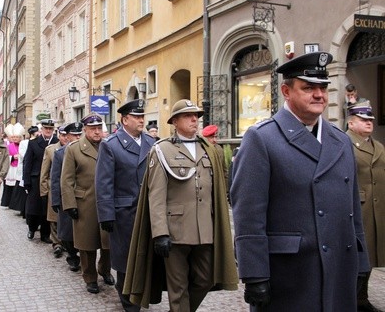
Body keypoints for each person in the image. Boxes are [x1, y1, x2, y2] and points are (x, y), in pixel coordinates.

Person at [231, 52, 371, 311]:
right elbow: (248, 214)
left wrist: (361, 259)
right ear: (286, 91)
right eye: (308, 88)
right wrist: (255, 275)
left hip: (339, 266)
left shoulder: (340, 141)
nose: (319, 94)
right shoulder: (262, 139)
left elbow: (352, 210)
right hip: (291, 274)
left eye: (323, 87)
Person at [124, 99, 238, 311]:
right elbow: (156, 195)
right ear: (175, 121)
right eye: (188, 115)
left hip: (205, 229)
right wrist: (160, 233)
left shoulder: (208, 149)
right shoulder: (162, 150)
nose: (195, 119)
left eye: (196, 115)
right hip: (174, 231)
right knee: (178, 288)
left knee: (205, 278)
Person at [95, 99, 155, 311]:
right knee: (125, 262)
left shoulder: (151, 143)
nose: (141, 120)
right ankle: (129, 303)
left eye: (142, 116)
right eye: (137, 117)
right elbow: (103, 183)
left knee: (145, 257)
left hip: (147, 211)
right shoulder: (110, 145)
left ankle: (142, 294)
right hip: (124, 214)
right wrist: (106, 215)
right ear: (124, 120)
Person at [61, 113, 113, 294]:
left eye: (99, 128)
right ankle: (90, 277)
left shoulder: (109, 146)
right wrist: (70, 204)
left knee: (108, 242)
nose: (97, 132)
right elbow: (66, 179)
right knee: (87, 244)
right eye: (93, 129)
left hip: (106, 201)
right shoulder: (74, 149)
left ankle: (105, 270)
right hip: (84, 203)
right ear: (85, 130)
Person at [346, 104, 385, 312]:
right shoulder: (345, 144)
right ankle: (351, 299)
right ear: (351, 122)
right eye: (363, 120)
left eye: (370, 120)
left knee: (370, 258)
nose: (369, 123)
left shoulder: (378, 146)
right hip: (357, 209)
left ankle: (361, 299)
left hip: (377, 210)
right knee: (357, 257)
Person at [51, 122, 83, 272]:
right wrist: (56, 200)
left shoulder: (86, 150)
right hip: (66, 197)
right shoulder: (60, 153)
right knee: (67, 231)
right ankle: (72, 255)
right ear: (67, 136)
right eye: (74, 135)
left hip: (84, 197)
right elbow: (56, 178)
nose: (77, 137)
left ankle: (83, 254)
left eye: (79, 134)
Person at [23, 119, 58, 242]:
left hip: (50, 179)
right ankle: (31, 228)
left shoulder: (57, 142)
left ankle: (45, 234)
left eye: (50, 129)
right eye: (46, 128)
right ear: (42, 129)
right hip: (35, 179)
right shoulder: (33, 143)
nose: (48, 131)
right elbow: (27, 163)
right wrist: (26, 181)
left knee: (47, 209)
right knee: (33, 208)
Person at [40, 125, 68, 258]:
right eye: (62, 135)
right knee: (54, 217)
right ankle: (56, 244)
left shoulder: (74, 148)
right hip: (54, 188)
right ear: (59, 136)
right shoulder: (51, 150)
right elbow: (44, 172)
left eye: (67, 135)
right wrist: (44, 191)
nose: (65, 138)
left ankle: (67, 242)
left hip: (69, 188)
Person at [9, 125, 39, 217]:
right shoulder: (25, 143)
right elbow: (22, 154)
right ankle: (23, 210)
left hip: (33, 168)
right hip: (23, 167)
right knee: (23, 190)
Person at [1, 123, 25, 208]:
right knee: (9, 187)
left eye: (17, 137)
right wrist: (13, 157)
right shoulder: (8, 146)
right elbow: (5, 157)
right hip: (12, 168)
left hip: (19, 168)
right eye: (13, 137)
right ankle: (8, 202)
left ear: (20, 137)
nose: (15, 139)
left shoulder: (23, 144)